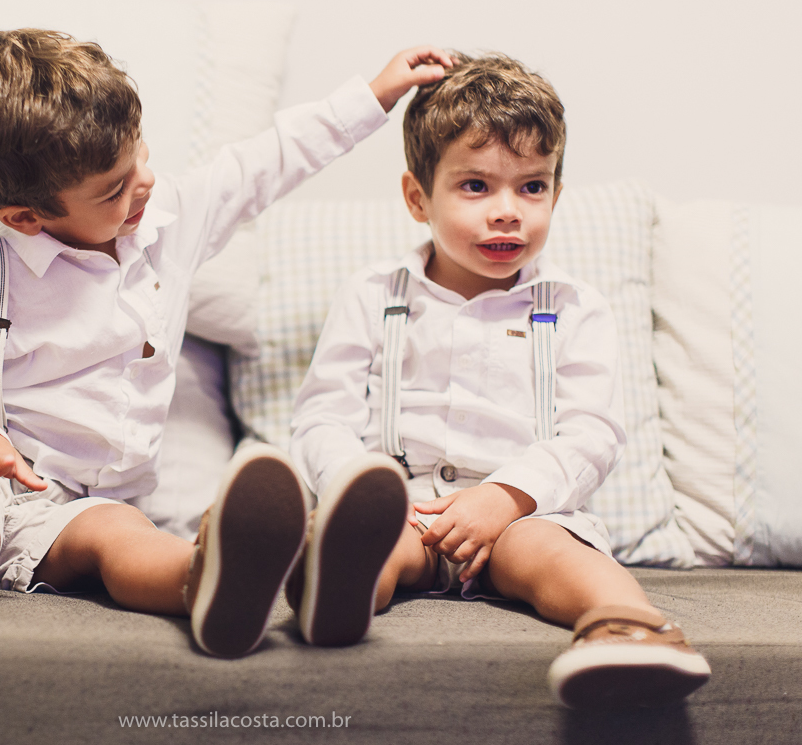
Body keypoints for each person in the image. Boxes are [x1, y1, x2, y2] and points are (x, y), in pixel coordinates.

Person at [0, 27, 454, 736]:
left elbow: (266, 162)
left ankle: (211, 575)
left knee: (124, 539)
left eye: (141, 153)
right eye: (115, 187)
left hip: (88, 502)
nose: (144, 184)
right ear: (25, 218)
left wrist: (374, 96)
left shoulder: (168, 223)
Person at [288, 52, 711, 710]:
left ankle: (630, 625)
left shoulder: (574, 306)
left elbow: (591, 434)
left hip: (519, 516)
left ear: (556, 195)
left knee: (549, 555)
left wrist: (507, 497)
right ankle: (326, 591)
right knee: (371, 550)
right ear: (417, 197)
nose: (507, 212)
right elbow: (322, 417)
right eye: (476, 187)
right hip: (406, 509)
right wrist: (361, 492)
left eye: (532, 187)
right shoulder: (373, 294)